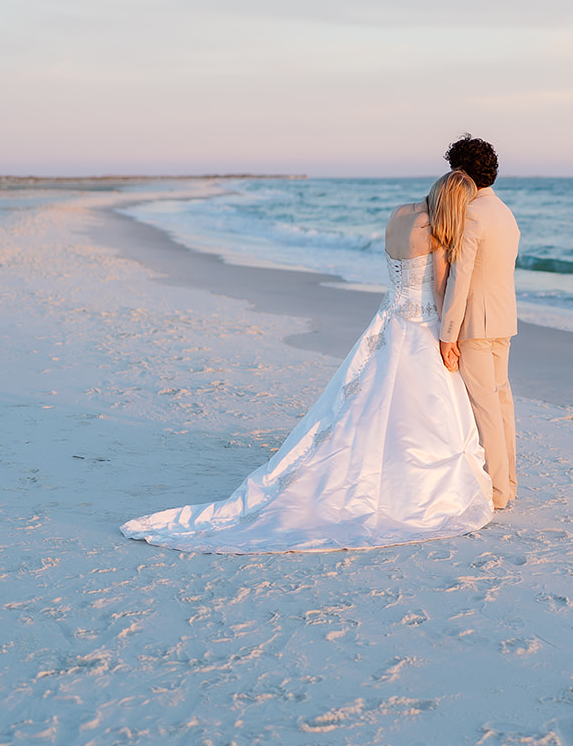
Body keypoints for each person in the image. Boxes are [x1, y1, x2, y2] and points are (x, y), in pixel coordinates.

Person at [119, 172, 494, 553]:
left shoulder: (399, 215)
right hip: (420, 324)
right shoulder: (436, 233)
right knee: (420, 410)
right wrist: (452, 334)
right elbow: (441, 289)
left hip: (388, 318)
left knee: (368, 402)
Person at [438, 135, 522, 512]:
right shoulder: (505, 212)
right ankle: (509, 484)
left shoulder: (472, 214)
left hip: (476, 324)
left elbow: (461, 279)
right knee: (502, 404)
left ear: (460, 173)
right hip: (504, 319)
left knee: (486, 407)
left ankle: (498, 491)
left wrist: (446, 333)